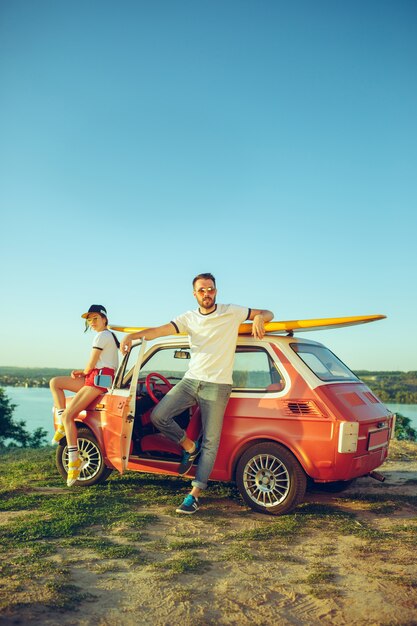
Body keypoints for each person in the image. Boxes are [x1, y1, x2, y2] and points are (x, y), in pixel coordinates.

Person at [120, 273, 274, 515]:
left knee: (211, 442)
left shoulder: (230, 311)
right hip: (191, 381)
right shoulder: (188, 318)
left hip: (218, 385)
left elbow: (267, 312)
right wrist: (132, 336)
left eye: (210, 289)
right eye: (202, 290)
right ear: (195, 294)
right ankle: (190, 447)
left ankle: (194, 495)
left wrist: (259, 319)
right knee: (159, 416)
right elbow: (160, 331)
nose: (207, 294)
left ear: (216, 291)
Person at [50, 305, 119, 487]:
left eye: (95, 318)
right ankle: (63, 428)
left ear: (104, 319)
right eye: (89, 320)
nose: (92, 323)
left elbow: (93, 361)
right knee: (55, 383)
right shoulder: (109, 336)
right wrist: (85, 373)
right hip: (94, 378)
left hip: (98, 380)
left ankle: (73, 461)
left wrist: (84, 371)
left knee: (68, 415)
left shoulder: (103, 335)